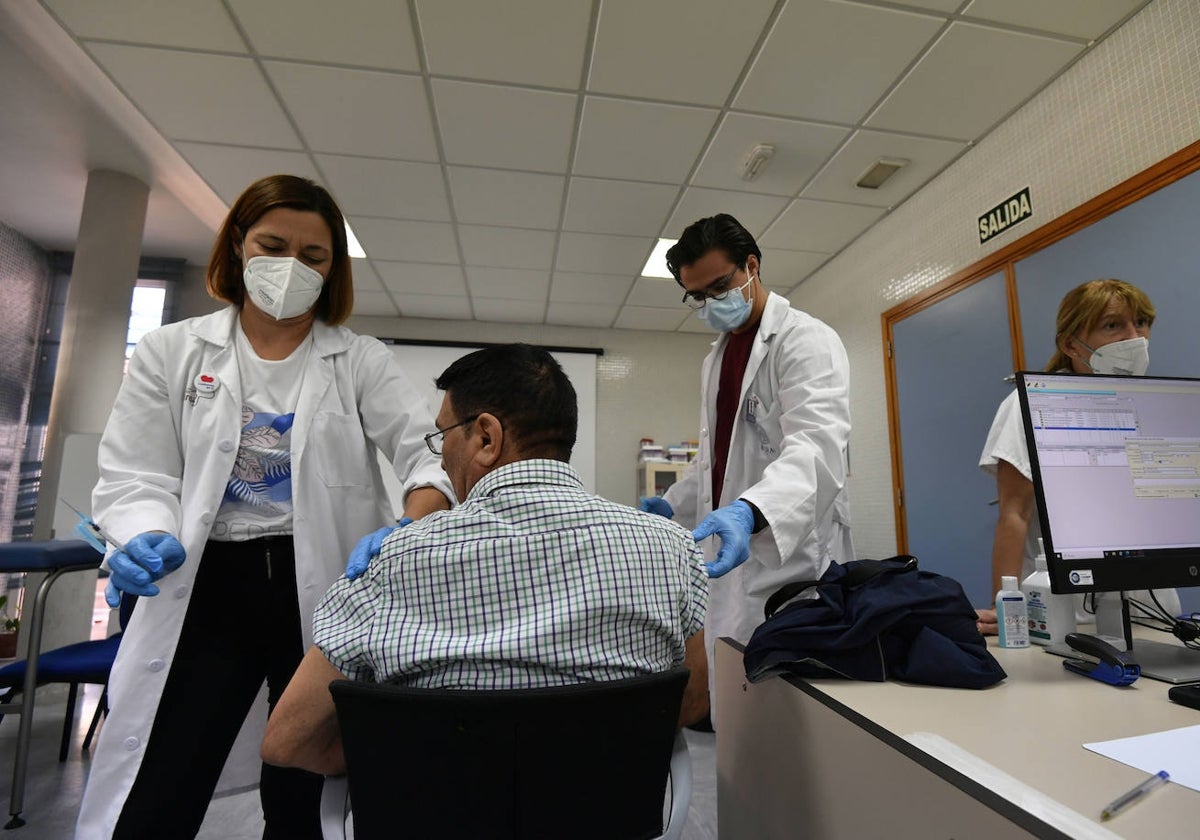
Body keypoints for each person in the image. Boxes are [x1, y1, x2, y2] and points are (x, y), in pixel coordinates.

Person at [76, 175, 454, 840]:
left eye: (313, 256)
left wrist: (410, 526)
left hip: (322, 586)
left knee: (304, 786)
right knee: (165, 774)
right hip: (205, 583)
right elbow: (136, 470)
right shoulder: (172, 351)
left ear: (333, 269)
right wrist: (141, 533)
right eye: (273, 246)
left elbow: (427, 455)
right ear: (237, 247)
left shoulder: (359, 360)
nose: (291, 268)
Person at [261, 344, 709, 774]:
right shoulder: (671, 547)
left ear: (486, 437)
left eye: (442, 436)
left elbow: (289, 740)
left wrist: (397, 756)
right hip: (610, 819)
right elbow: (692, 700)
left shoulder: (390, 564)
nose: (441, 455)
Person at [640, 213, 853, 722]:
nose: (712, 302)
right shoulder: (717, 357)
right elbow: (716, 458)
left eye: (720, 286)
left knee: (785, 715)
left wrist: (751, 510)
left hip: (792, 559)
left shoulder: (805, 341)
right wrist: (669, 505)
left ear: (751, 266)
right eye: (698, 295)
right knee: (737, 706)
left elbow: (816, 449)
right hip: (735, 563)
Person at [977, 278, 1181, 634]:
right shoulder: (1031, 404)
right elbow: (1015, 513)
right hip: (1069, 617)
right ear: (1071, 343)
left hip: (1156, 612)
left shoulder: (1157, 403)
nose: (1134, 337)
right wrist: (1006, 611)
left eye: (1142, 322)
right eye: (1113, 325)